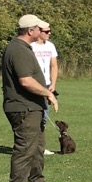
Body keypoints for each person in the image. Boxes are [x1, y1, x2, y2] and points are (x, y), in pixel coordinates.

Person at [1, 14, 60, 182]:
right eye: (38, 28)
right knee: (25, 148)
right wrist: (48, 93)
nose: (41, 32)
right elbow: (26, 81)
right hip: (23, 107)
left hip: (32, 107)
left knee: (37, 147)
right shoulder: (18, 50)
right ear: (30, 31)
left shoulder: (23, 48)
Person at [31, 23, 59, 152]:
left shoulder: (50, 46)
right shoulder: (31, 46)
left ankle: (41, 146)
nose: (49, 34)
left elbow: (53, 65)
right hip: (34, 84)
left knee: (44, 115)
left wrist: (53, 83)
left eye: (49, 31)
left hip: (47, 84)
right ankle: (30, 144)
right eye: (46, 32)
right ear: (39, 32)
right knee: (32, 115)